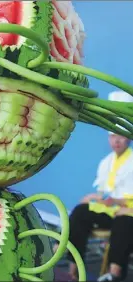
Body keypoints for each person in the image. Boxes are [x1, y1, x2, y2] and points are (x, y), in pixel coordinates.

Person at [68, 91, 133, 282]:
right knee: (81, 211)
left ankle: (114, 272)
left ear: (128, 137)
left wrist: (122, 204)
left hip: (129, 212)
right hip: (111, 209)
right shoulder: (106, 162)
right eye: (113, 136)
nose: (117, 140)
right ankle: (74, 263)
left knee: (124, 221)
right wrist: (95, 197)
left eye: (121, 136)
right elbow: (105, 192)